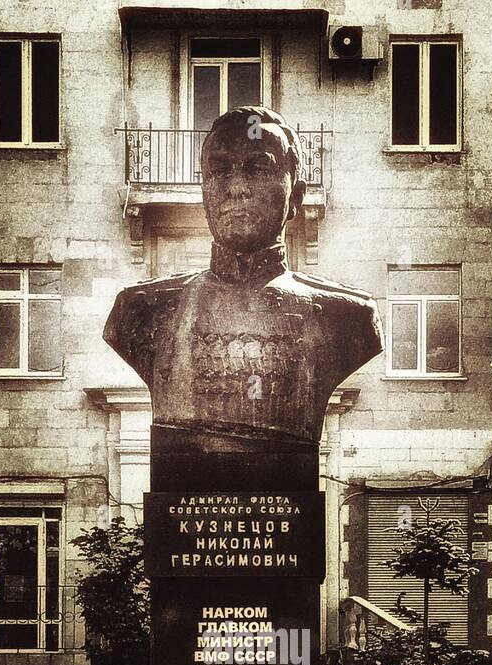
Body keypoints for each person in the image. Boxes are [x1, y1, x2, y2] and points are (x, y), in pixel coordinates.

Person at [104, 105, 382, 449]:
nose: (236, 188)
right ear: (204, 189)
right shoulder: (140, 310)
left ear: (295, 195)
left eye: (258, 168)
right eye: (220, 170)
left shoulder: (347, 316)